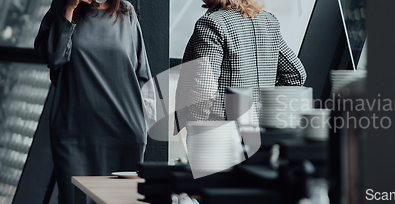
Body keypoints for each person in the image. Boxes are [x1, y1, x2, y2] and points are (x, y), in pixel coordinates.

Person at [34, 0, 156, 203]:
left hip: (124, 132)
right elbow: (53, 57)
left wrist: (147, 125)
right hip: (73, 134)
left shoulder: (126, 11)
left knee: (122, 200)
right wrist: (69, 9)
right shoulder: (63, 7)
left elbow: (142, 73)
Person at [175, 0, 307, 128]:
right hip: (261, 129)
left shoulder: (212, 23)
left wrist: (196, 129)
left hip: (221, 134)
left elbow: (204, 89)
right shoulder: (268, 21)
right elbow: (296, 74)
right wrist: (267, 105)